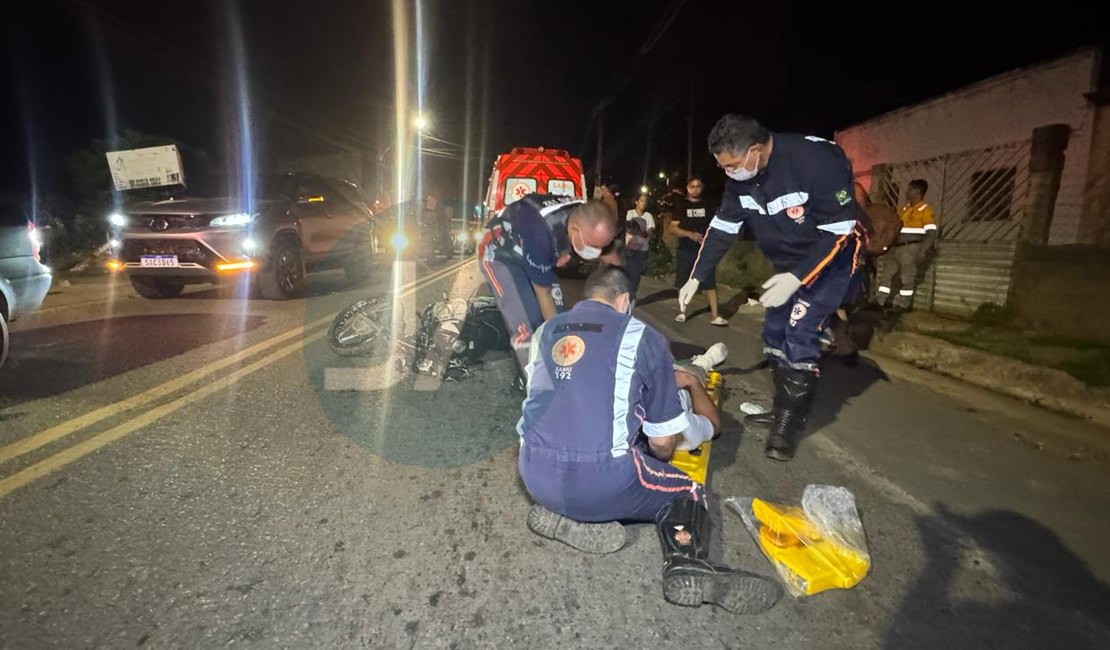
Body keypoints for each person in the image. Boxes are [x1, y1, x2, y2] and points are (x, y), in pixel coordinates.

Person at [517, 266, 781, 613]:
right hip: (600, 480)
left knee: (604, 455)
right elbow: (663, 444)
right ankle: (687, 562)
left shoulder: (546, 330)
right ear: (625, 301)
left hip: (534, 474)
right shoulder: (641, 336)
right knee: (685, 489)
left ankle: (570, 515)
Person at [681, 114, 866, 461]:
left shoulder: (816, 161)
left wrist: (798, 277)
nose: (728, 174)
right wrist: (696, 275)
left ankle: (786, 428)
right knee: (774, 334)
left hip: (832, 259)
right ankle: (784, 407)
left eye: (733, 165)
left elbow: (840, 230)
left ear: (754, 150)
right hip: (787, 267)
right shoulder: (741, 178)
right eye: (723, 167)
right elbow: (723, 227)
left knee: (799, 332)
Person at [477, 195, 618, 383]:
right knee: (527, 322)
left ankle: (555, 368)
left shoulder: (581, 212)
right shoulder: (541, 232)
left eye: (601, 247)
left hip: (526, 248)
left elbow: (607, 257)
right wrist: (562, 345)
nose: (596, 252)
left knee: (560, 317)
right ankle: (533, 384)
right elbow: (543, 293)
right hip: (498, 254)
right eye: (593, 246)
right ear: (575, 230)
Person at [666, 176, 727, 325]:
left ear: (702, 188)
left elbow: (715, 225)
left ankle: (715, 315)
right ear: (687, 188)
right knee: (683, 281)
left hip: (704, 251)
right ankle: (682, 312)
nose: (695, 189)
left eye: (698, 186)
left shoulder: (708, 206)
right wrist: (690, 234)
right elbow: (672, 228)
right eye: (692, 186)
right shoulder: (681, 206)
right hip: (686, 249)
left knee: (710, 283)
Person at [877, 179, 937, 311]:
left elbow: (931, 233)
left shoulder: (925, 210)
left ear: (916, 191)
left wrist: (923, 251)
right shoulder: (905, 209)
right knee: (886, 275)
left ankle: (903, 305)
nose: (906, 192)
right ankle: (880, 303)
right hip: (897, 247)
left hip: (911, 248)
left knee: (907, 277)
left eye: (909, 189)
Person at [622, 192, 654, 299]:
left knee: (636, 274)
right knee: (629, 272)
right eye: (641, 201)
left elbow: (649, 232)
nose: (643, 203)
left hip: (642, 249)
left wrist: (639, 232)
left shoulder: (648, 216)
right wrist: (640, 232)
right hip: (630, 247)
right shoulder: (630, 213)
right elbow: (628, 227)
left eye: (645, 201)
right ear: (636, 202)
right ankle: (627, 294)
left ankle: (631, 295)